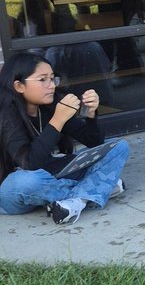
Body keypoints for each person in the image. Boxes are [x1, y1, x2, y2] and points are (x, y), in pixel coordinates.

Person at [0, 51, 129, 225]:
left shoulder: (49, 106)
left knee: (118, 146)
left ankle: (74, 202)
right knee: (28, 180)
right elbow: (30, 163)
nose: (51, 85)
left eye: (52, 78)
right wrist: (58, 120)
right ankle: (95, 190)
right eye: (42, 79)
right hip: (12, 189)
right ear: (19, 86)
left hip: (51, 175)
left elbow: (94, 143)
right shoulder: (6, 114)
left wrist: (90, 114)